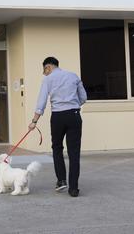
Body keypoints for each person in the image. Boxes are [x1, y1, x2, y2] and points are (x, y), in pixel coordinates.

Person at [28, 56, 87, 197]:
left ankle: (61, 181)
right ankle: (74, 188)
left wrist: (34, 121)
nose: (44, 73)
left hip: (58, 117)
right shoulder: (73, 76)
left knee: (57, 148)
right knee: (74, 152)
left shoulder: (48, 79)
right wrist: (73, 106)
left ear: (48, 67)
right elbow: (84, 97)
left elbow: (41, 102)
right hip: (74, 115)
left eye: (44, 70)